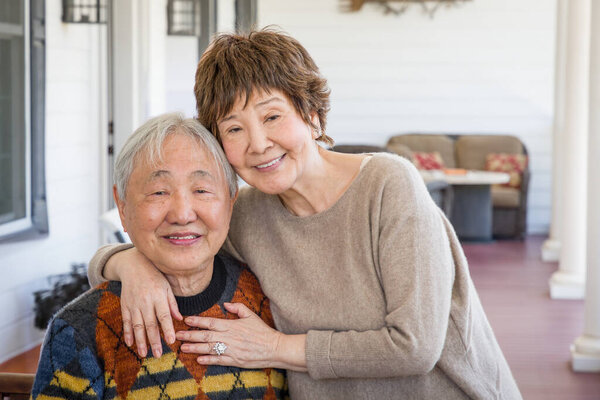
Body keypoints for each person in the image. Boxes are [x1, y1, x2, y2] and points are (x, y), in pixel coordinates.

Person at [87, 30, 522, 399]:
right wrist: (131, 265)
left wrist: (275, 348)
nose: (258, 144)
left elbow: (415, 346)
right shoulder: (247, 216)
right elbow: (163, 241)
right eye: (234, 128)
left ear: (312, 114)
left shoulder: (389, 186)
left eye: (272, 116)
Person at [31, 114, 287, 400]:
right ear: (123, 207)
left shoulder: (270, 299)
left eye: (201, 190)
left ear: (230, 202)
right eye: (158, 192)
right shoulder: (81, 329)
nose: (182, 214)